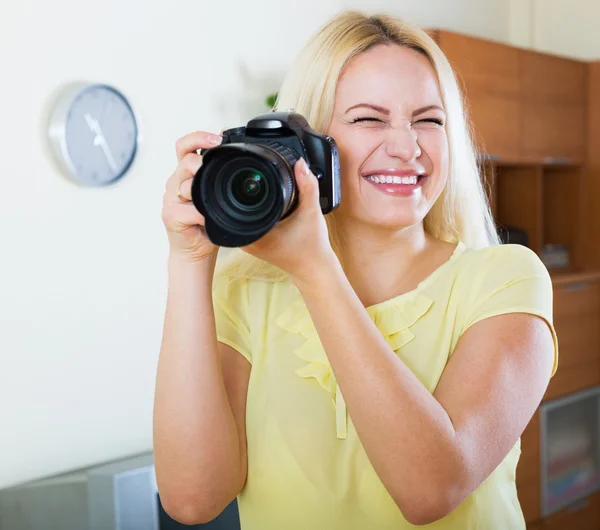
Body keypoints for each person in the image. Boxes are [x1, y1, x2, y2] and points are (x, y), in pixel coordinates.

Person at [153, 10, 558, 530]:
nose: (406, 146)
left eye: (429, 120)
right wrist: (190, 261)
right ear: (308, 145)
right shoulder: (246, 285)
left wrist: (316, 271)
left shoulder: (506, 278)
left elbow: (431, 489)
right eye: (369, 119)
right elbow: (192, 500)